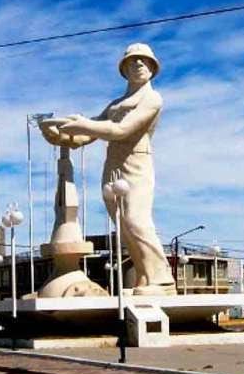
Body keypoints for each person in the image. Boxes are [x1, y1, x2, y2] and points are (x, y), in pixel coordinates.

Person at [46, 43, 176, 295]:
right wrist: (60, 135)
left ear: (152, 68)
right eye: (132, 61)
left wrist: (82, 124)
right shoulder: (116, 104)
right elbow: (87, 135)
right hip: (113, 165)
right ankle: (144, 277)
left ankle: (162, 280)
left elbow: (121, 130)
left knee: (136, 220)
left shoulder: (152, 98)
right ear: (124, 69)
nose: (138, 64)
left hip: (137, 164)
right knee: (123, 225)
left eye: (144, 60)